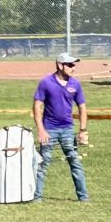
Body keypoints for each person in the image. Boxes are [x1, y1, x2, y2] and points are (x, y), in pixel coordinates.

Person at [32, 51, 89, 202]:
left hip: (68, 130)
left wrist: (83, 131)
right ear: (59, 65)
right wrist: (41, 130)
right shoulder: (46, 83)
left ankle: (84, 198)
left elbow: (82, 107)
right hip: (49, 130)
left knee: (75, 162)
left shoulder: (75, 84)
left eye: (74, 64)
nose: (73, 67)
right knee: (42, 164)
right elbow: (37, 107)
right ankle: (36, 198)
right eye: (70, 65)